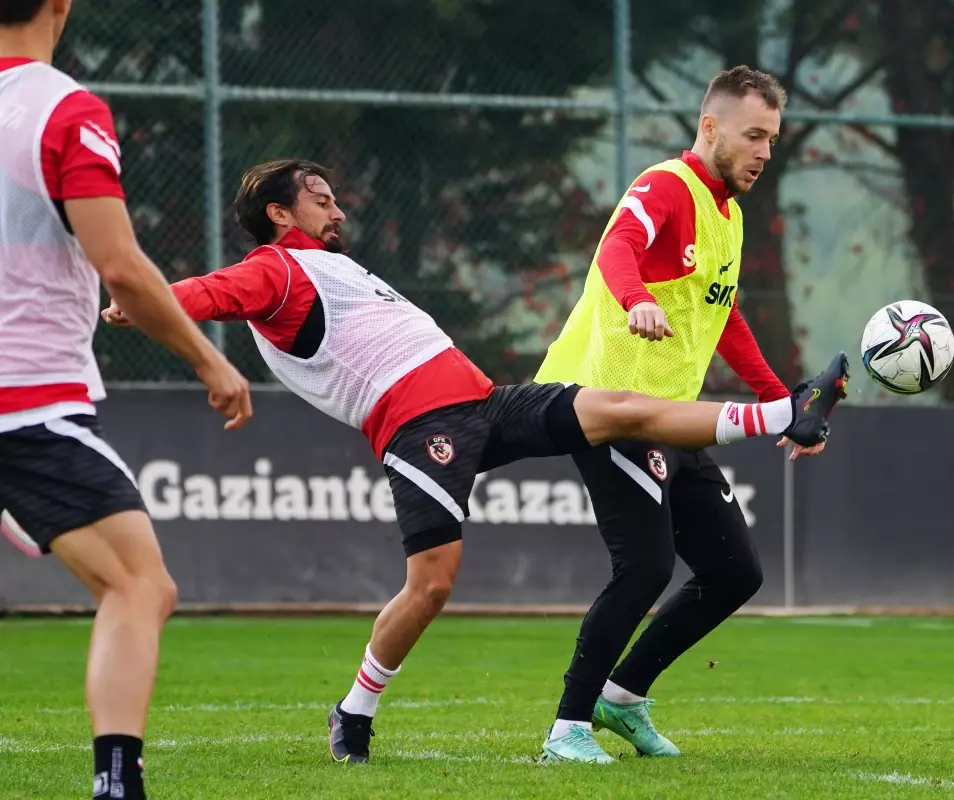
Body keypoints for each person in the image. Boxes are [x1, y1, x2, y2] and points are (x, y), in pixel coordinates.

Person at [102, 157, 849, 765]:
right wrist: (147, 299)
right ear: (279, 214)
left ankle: (790, 411)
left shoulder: (337, 268)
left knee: (618, 407)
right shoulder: (278, 269)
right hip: (422, 428)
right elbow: (214, 292)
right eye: (321, 200)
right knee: (431, 586)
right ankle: (355, 709)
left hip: (485, 401)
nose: (337, 211)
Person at [532, 65, 827, 763]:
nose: (762, 151)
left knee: (734, 572)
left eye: (772, 140)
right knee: (644, 566)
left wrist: (781, 405)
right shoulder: (667, 184)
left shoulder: (730, 216)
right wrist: (635, 298)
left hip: (667, 416)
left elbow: (723, 320)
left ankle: (623, 697)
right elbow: (616, 248)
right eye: (753, 134)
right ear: (709, 127)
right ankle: (567, 728)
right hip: (606, 403)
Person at [0, 1, 253, 798]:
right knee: (140, 585)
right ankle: (118, 784)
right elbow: (123, 269)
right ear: (60, 4)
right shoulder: (63, 110)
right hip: (26, 399)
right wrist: (212, 361)